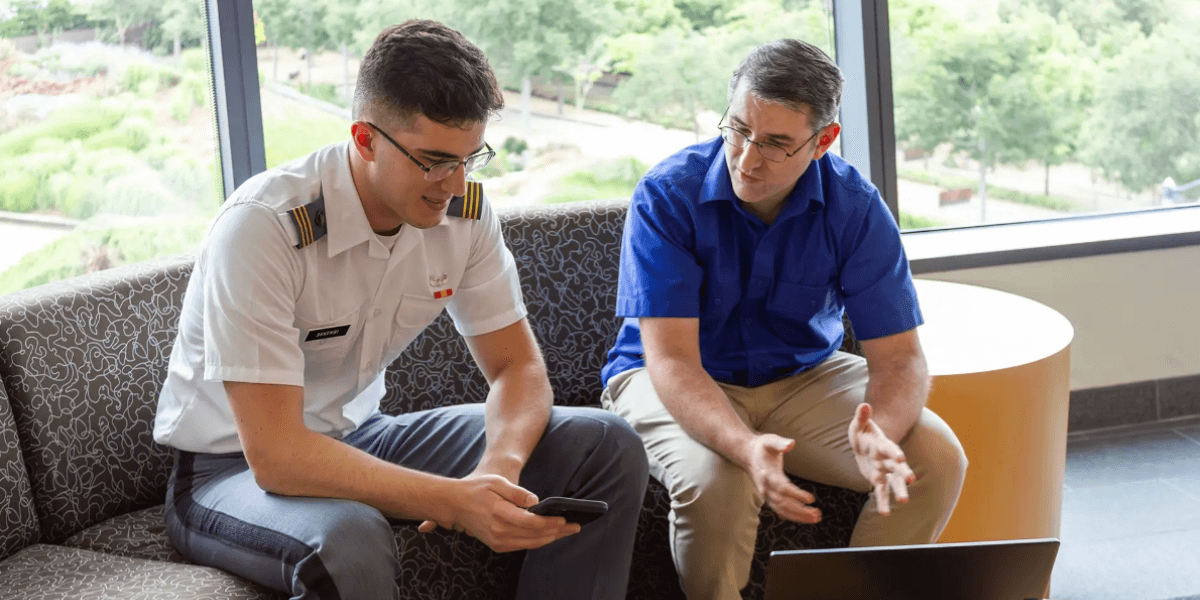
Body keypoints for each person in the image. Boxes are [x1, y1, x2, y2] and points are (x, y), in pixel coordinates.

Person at [153, 20, 647, 600]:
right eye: (434, 161)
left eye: (471, 158)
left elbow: (518, 369)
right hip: (225, 471)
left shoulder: (463, 211)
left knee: (605, 444)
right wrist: (455, 502)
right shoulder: (265, 228)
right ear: (365, 139)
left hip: (363, 435)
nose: (454, 183)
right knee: (348, 538)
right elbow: (279, 456)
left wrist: (499, 467)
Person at [599, 39, 968, 600]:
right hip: (668, 375)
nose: (747, 159)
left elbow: (899, 358)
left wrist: (880, 433)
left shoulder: (856, 207)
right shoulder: (667, 194)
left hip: (802, 376)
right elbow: (671, 359)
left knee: (934, 459)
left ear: (824, 141)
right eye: (739, 129)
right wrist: (746, 447)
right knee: (721, 482)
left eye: (775, 143)